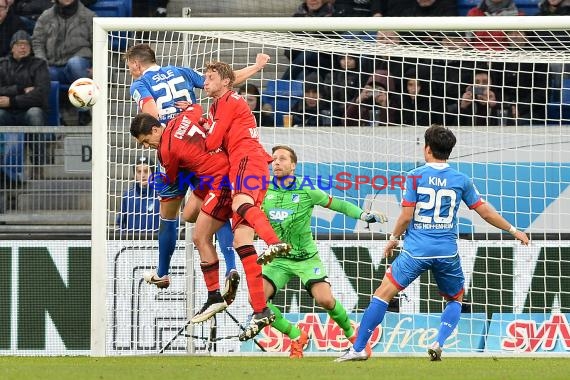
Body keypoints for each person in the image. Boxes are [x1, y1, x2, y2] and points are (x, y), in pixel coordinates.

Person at [336, 124, 530, 362]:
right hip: (447, 252)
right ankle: (439, 342)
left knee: (382, 294)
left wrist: (393, 239)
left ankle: (358, 349)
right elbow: (485, 212)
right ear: (449, 151)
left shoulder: (416, 176)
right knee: (455, 299)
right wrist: (513, 230)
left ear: (427, 149)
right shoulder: (461, 179)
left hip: (416, 252)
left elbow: (406, 216)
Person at [124, 44, 270, 294]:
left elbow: (150, 113)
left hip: (172, 150)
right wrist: (256, 67)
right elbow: (225, 81)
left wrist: (159, 133)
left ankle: (163, 272)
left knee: (168, 215)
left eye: (129, 67)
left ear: (137, 65)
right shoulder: (180, 71)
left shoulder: (139, 85)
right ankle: (230, 269)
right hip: (199, 143)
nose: (129, 72)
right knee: (217, 204)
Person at [263, 145, 388, 358]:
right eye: (273, 159)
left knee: (325, 301)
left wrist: (364, 215)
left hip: (305, 258)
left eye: (282, 159)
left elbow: (337, 204)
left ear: (293, 165)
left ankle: (353, 336)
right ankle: (296, 335)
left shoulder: (306, 189)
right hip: (278, 259)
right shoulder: (263, 190)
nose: (276, 162)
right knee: (257, 301)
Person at [202, 61, 292, 341]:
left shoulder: (228, 101)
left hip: (246, 160)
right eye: (204, 77)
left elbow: (212, 141)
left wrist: (203, 124)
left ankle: (274, 241)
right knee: (242, 242)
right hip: (250, 163)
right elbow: (216, 134)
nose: (205, 82)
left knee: (241, 203)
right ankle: (260, 308)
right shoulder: (224, 101)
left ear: (225, 83)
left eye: (210, 77)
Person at [130, 105, 239, 323]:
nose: (146, 146)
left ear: (154, 130)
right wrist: (187, 106)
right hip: (215, 169)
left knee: (200, 236)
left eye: (144, 141)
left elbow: (171, 179)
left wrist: (158, 183)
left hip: (218, 180)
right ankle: (229, 267)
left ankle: (215, 293)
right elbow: (197, 109)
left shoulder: (165, 151)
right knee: (189, 214)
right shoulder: (181, 119)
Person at [32, 0, 94, 126]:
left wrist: (96, 66)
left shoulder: (89, 16)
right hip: (54, 65)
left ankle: (84, 110)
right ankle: (56, 117)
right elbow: (37, 42)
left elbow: (99, 43)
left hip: (80, 65)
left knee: (75, 63)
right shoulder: (46, 16)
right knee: (44, 72)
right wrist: (42, 62)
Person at [0, 29, 50, 181]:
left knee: (35, 113)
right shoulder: (1, 64)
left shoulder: (39, 65)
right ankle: (3, 166)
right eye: (19, 44)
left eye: (26, 44)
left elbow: (41, 94)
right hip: (7, 112)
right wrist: (21, 89)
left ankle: (37, 165)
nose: (23, 48)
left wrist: (11, 100)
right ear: (12, 47)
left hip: (27, 110)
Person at [116, 155, 160, 232]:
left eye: (146, 171)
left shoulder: (160, 196)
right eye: (139, 171)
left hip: (155, 242)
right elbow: (121, 224)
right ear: (134, 175)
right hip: (132, 242)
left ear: (153, 174)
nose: (143, 175)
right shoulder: (127, 196)